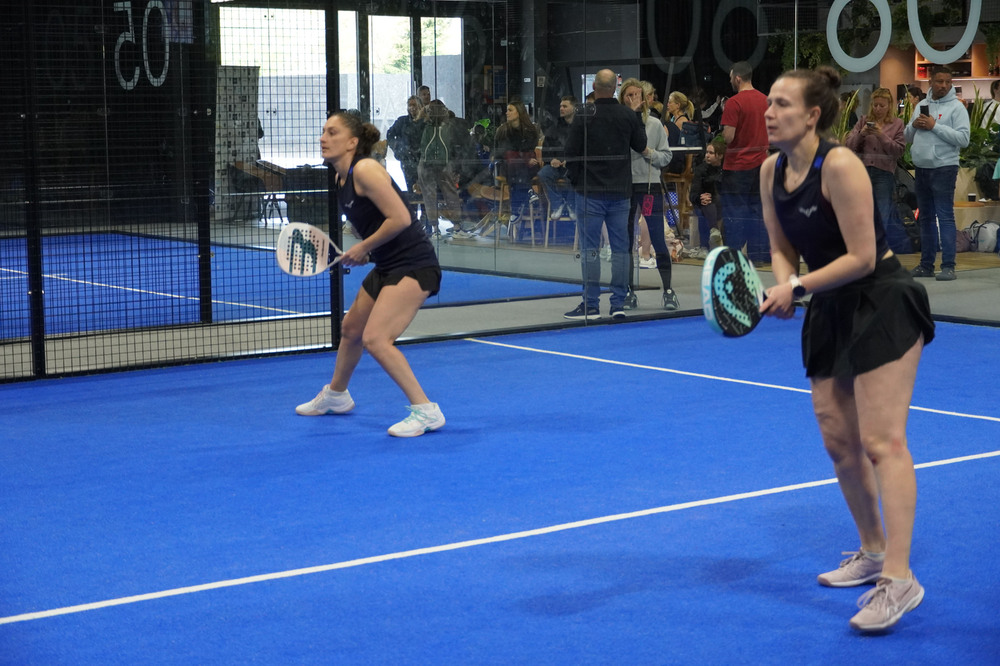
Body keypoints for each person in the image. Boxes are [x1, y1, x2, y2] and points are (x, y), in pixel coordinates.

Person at [759, 65, 935, 632]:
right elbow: (781, 248)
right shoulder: (769, 171)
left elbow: (861, 257)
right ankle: (873, 550)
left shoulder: (840, 165)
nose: (769, 112)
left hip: (881, 299)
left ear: (813, 115)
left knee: (882, 441)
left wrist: (796, 288)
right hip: (829, 307)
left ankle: (900, 580)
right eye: (769, 102)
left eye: (782, 104)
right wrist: (785, 285)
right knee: (839, 442)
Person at [295, 111, 445, 438]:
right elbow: (378, 225)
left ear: (352, 142)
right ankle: (336, 396)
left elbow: (401, 218)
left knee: (376, 339)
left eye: (332, 132)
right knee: (351, 329)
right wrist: (369, 251)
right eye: (323, 131)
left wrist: (364, 246)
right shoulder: (341, 178)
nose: (323, 138)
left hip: (414, 264)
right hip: (388, 264)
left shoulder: (365, 170)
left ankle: (426, 411)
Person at [563, 68, 647, 320]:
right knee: (621, 249)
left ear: (594, 87)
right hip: (620, 192)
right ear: (615, 88)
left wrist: (575, 181)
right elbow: (641, 145)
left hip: (590, 191)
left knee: (590, 249)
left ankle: (590, 304)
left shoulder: (584, 114)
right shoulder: (627, 115)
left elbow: (571, 151)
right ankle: (618, 302)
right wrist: (635, 114)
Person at [904, 65, 970, 281]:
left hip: (944, 168)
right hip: (922, 168)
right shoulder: (921, 105)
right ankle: (926, 265)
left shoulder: (957, 108)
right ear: (930, 82)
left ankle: (948, 266)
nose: (944, 85)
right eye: (940, 81)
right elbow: (907, 137)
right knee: (925, 219)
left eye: (948, 82)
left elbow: (963, 139)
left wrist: (934, 126)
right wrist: (914, 125)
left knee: (945, 216)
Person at [619, 78, 678, 311]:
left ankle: (668, 291)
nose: (633, 99)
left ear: (644, 99)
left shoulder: (654, 124)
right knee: (625, 242)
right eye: (629, 95)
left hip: (648, 187)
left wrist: (647, 152)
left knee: (657, 237)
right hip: (625, 188)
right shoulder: (618, 125)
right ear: (622, 98)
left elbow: (666, 156)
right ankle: (628, 291)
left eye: (637, 94)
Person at [719, 61, 770, 265]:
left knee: (735, 213)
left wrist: (721, 135)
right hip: (761, 165)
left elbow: (729, 136)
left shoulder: (733, 103)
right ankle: (759, 255)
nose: (730, 81)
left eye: (731, 78)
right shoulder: (765, 100)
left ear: (738, 78)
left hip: (738, 166)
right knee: (758, 211)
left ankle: (734, 257)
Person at [844, 87, 905, 239]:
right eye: (875, 105)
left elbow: (898, 151)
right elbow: (849, 145)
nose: (877, 109)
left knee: (881, 213)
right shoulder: (863, 121)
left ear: (889, 106)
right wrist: (861, 134)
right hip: (862, 173)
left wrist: (881, 135)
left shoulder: (897, 124)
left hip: (884, 174)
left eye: (881, 105)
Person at [417, 100, 464, 237]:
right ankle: (454, 228)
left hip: (431, 163)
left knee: (433, 195)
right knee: (447, 193)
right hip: (438, 163)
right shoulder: (447, 125)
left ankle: (437, 229)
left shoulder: (426, 125)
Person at [494, 100, 540, 225]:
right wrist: (524, 158)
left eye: (510, 110)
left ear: (519, 112)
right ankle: (528, 192)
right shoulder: (503, 130)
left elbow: (529, 148)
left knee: (516, 164)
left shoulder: (530, 130)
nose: (506, 113)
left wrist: (523, 158)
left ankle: (516, 209)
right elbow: (501, 152)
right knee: (512, 159)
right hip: (511, 166)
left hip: (527, 166)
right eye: (507, 110)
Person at [536, 95, 578, 221]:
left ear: (574, 108)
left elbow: (583, 149)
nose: (561, 108)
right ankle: (558, 203)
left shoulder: (580, 127)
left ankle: (571, 205)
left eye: (565, 106)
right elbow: (546, 149)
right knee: (543, 174)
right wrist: (552, 159)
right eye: (560, 106)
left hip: (572, 165)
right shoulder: (554, 127)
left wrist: (570, 161)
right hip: (555, 165)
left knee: (577, 174)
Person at [687, 139, 726, 258]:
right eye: (707, 152)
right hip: (705, 205)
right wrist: (700, 198)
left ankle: (715, 235)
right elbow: (693, 194)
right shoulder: (701, 170)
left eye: (711, 153)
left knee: (715, 200)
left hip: (722, 202)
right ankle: (712, 235)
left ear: (720, 155)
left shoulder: (725, 170)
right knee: (706, 204)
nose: (707, 155)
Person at [386, 95, 426, 195]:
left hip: (424, 162)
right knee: (411, 190)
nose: (412, 108)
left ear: (420, 106)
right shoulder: (402, 121)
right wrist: (397, 148)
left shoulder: (426, 122)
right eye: (410, 105)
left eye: (414, 105)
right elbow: (390, 134)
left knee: (425, 191)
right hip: (407, 161)